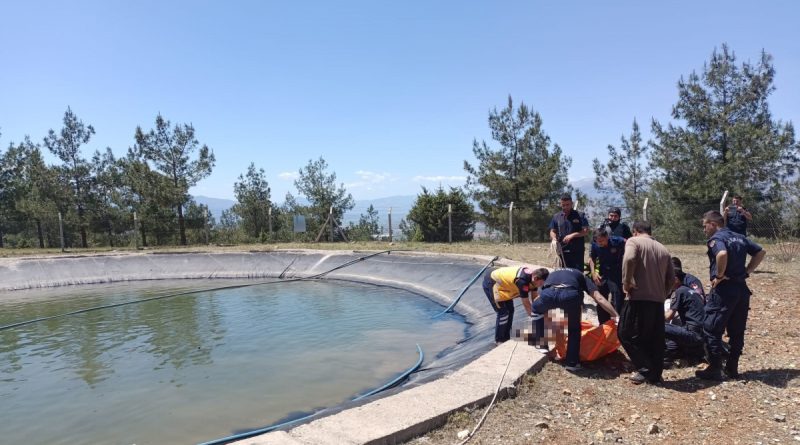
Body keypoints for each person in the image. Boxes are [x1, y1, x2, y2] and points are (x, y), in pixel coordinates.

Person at [696, 210, 766, 380]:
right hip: (741, 289)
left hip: (724, 290)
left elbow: (721, 254)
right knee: (737, 330)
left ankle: (714, 367)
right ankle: (732, 368)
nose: (704, 230)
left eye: (705, 226)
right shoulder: (739, 236)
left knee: (711, 327)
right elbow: (760, 252)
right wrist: (747, 271)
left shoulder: (717, 239)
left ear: (713, 224)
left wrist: (719, 275)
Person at [619, 220, 675, 385]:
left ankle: (645, 369)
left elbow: (629, 258)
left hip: (637, 298)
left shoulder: (633, 241)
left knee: (625, 333)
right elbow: (672, 278)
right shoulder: (663, 248)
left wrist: (627, 282)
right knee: (654, 338)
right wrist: (663, 293)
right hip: (657, 300)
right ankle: (655, 374)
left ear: (635, 231)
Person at [530, 267, 618, 372]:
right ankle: (572, 363)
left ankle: (542, 346)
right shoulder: (582, 277)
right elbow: (599, 298)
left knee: (536, 310)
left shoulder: (552, 274)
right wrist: (616, 315)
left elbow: (543, 297)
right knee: (574, 329)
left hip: (549, 294)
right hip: (570, 296)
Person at [483, 265, 535, 344]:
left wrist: (537, 313)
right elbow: (526, 303)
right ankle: (499, 340)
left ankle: (506, 337)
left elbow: (535, 298)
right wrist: (534, 318)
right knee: (503, 313)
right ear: (536, 279)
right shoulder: (523, 281)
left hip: (505, 285)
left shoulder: (535, 279)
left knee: (510, 310)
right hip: (493, 282)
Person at [664, 276, 706, 367]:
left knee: (659, 326)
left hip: (692, 334)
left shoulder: (679, 291)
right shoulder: (689, 290)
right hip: (701, 335)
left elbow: (669, 316)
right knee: (669, 348)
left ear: (675, 279)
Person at [588, 228, 626, 324]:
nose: (599, 243)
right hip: (602, 273)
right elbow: (591, 259)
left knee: (618, 298)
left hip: (616, 273)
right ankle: (603, 323)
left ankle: (619, 323)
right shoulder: (594, 245)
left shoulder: (618, 241)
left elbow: (630, 243)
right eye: (597, 241)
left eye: (601, 241)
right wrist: (593, 273)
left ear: (607, 237)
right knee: (601, 298)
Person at [549, 194, 589, 270]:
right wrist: (554, 239)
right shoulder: (556, 216)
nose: (565, 207)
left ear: (572, 204)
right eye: (563, 205)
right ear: (560, 204)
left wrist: (573, 235)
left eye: (567, 205)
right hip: (562, 250)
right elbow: (552, 231)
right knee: (562, 274)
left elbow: (585, 231)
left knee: (577, 274)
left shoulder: (580, 215)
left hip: (576, 251)